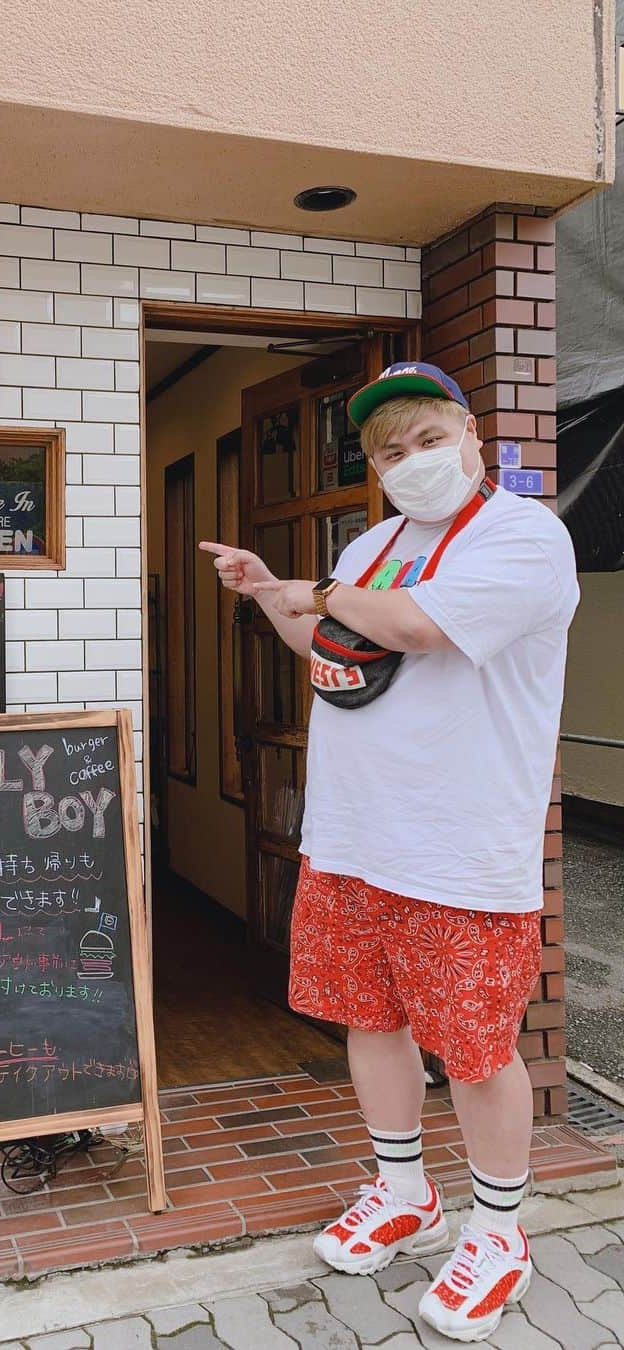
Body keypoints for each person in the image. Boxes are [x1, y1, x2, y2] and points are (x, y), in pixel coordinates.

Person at [200, 361, 579, 1343]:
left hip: (457, 848)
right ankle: (404, 1191)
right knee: (368, 1021)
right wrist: (267, 596)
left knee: (478, 1048)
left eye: (425, 441)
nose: (409, 462)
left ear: (472, 438)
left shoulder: (524, 537)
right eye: (387, 451)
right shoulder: (370, 544)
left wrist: (315, 587)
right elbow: (335, 645)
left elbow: (415, 625)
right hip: (353, 836)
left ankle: (498, 1233)